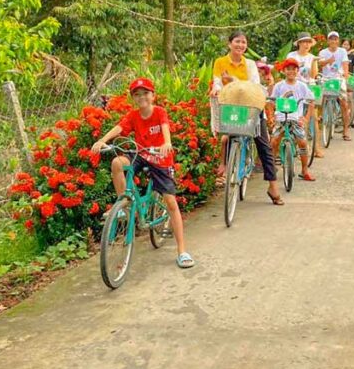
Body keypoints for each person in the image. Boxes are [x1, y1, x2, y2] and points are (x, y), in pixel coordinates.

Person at [92, 78, 194, 269]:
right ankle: (124, 204)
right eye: (137, 94)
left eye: (145, 93)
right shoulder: (133, 116)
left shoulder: (159, 112)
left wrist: (166, 143)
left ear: (153, 95)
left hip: (160, 157)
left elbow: (164, 127)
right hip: (140, 154)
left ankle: (182, 251)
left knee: (171, 203)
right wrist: (102, 141)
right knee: (117, 163)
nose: (142, 97)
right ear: (133, 98)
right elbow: (120, 128)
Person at [211, 30, 285, 205]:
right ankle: (226, 166)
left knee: (263, 143)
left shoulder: (250, 64)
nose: (240, 45)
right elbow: (217, 81)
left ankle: (273, 186)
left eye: (243, 42)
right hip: (231, 104)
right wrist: (216, 88)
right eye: (237, 41)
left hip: (251, 106)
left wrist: (234, 79)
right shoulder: (220, 62)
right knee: (227, 135)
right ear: (229, 44)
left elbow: (253, 86)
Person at [269, 58, 317, 181]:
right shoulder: (279, 86)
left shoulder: (302, 86)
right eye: (288, 69)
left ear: (297, 71)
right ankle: (272, 167)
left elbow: (311, 102)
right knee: (274, 141)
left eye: (294, 69)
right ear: (284, 71)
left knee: (302, 142)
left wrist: (306, 118)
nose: (291, 72)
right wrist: (271, 116)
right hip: (281, 117)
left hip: (296, 118)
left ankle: (304, 170)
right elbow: (271, 101)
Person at [286, 32, 322, 158]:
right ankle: (293, 144)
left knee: (313, 117)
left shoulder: (312, 57)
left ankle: (316, 148)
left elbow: (313, 75)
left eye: (308, 42)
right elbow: (287, 70)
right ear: (299, 43)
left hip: (307, 87)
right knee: (292, 116)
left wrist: (313, 62)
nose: (306, 44)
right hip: (293, 87)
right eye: (304, 42)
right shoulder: (291, 55)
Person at [318, 30, 352, 141]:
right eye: (331, 39)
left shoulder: (342, 51)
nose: (333, 41)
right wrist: (329, 60)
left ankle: (346, 130)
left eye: (335, 39)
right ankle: (321, 119)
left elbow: (345, 64)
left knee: (344, 103)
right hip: (326, 79)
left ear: (338, 41)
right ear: (328, 41)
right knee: (319, 99)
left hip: (338, 78)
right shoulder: (323, 52)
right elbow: (320, 63)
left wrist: (345, 75)